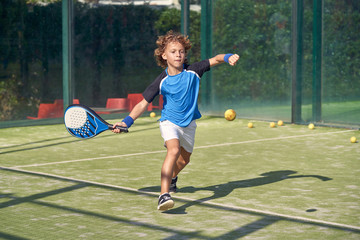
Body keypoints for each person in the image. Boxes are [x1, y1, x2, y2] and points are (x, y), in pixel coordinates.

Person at [112, 30, 239, 211]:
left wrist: (228, 57)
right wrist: (126, 122)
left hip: (189, 124)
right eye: (173, 51)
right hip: (169, 122)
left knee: (184, 160)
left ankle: (171, 178)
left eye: (181, 51)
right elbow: (142, 104)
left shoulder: (194, 71)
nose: (178, 54)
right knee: (172, 150)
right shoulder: (160, 81)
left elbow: (216, 59)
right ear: (164, 55)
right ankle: (164, 195)